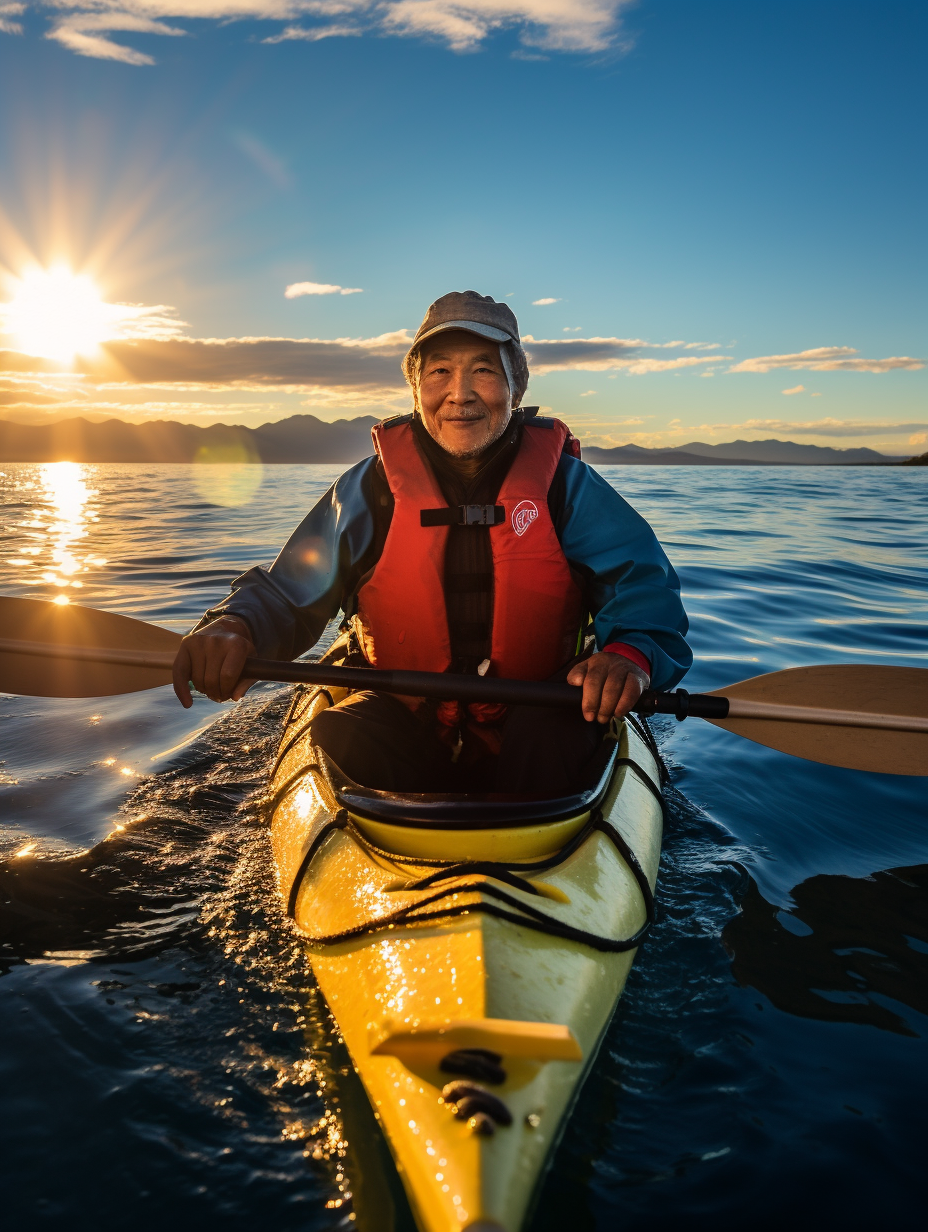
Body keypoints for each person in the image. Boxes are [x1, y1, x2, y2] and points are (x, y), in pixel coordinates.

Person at [172, 291, 691, 794]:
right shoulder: (371, 489)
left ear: (517, 386)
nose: (459, 393)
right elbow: (289, 592)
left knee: (552, 738)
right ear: (416, 386)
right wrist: (236, 623)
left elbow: (643, 594)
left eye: (484, 370)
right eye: (439, 371)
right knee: (342, 734)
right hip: (402, 715)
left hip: (537, 718)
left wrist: (630, 654)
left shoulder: (566, 487)